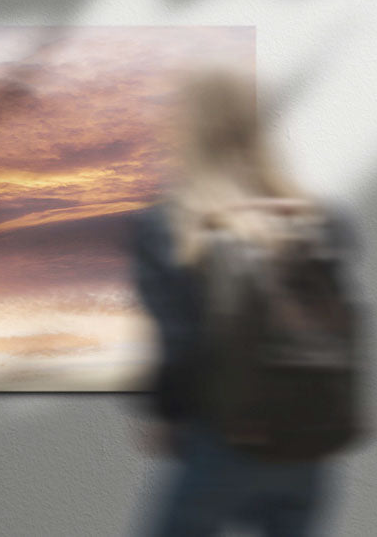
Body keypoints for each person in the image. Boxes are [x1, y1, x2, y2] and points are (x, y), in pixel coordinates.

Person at [130, 70, 364, 536]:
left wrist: (164, 415)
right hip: (311, 443)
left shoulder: (173, 224)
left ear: (190, 129)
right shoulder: (322, 221)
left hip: (223, 437)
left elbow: (180, 345)